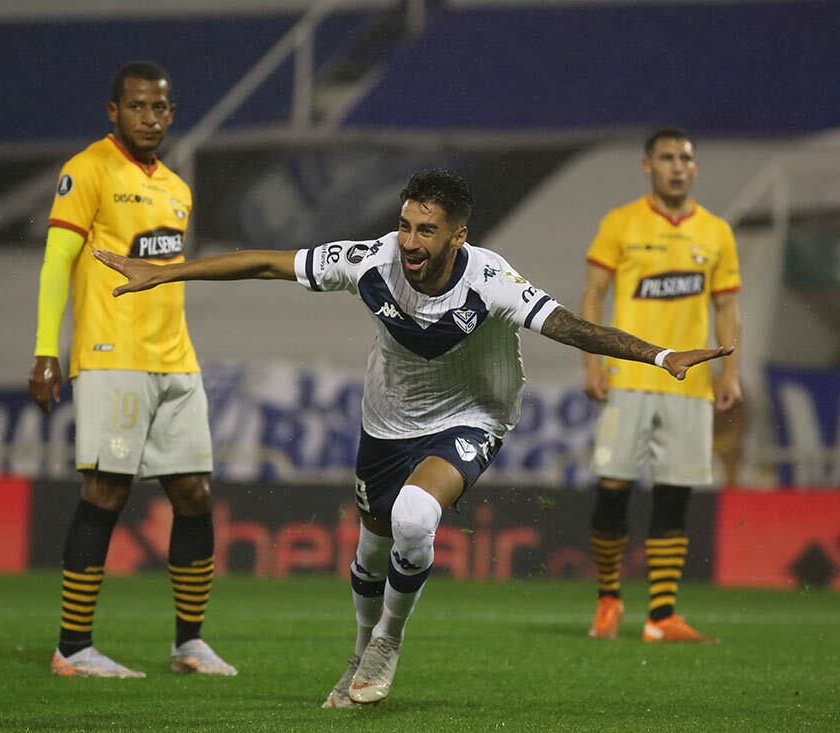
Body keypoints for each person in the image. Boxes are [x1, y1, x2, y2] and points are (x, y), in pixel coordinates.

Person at [93, 169, 732, 706]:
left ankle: (389, 640)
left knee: (415, 515)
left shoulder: (490, 280)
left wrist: (659, 354)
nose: (408, 240)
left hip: (474, 415)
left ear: (459, 235)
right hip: (387, 422)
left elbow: (565, 324)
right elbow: (267, 263)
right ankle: (359, 650)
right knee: (372, 552)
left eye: (425, 229)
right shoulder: (371, 260)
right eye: (405, 224)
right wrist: (168, 272)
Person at [28, 60, 235, 678]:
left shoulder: (177, 187)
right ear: (113, 111)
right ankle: (72, 648)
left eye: (160, 108)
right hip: (112, 360)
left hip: (177, 359)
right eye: (137, 107)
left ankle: (189, 643)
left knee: (194, 494)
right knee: (107, 491)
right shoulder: (87, 170)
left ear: (171, 114)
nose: (149, 118)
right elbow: (56, 262)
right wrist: (46, 350)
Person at [582, 127, 742, 644]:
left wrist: (729, 374)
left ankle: (662, 615)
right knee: (614, 488)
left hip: (691, 387)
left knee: (674, 496)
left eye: (686, 158)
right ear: (647, 165)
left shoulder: (717, 231)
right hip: (629, 379)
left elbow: (726, 308)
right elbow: (593, 295)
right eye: (667, 157)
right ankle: (608, 600)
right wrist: (592, 362)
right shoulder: (621, 223)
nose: (678, 165)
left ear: (696, 167)